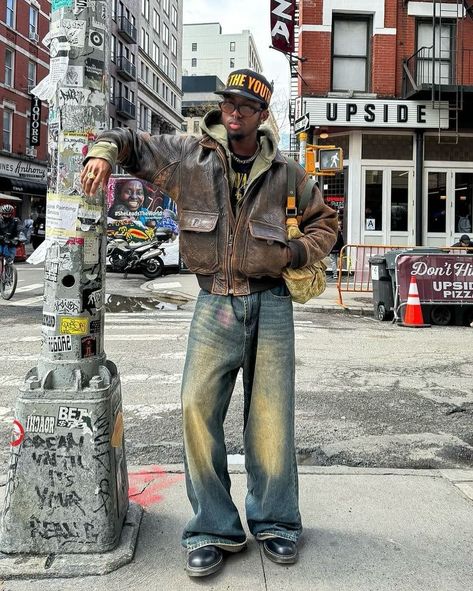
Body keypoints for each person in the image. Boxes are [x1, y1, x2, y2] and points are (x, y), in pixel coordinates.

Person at [81, 68, 337, 577]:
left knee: (270, 422)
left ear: (262, 114)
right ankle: (212, 528)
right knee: (196, 409)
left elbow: (325, 222)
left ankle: (276, 523)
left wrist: (294, 251)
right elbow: (129, 138)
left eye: (245, 104)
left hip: (272, 305)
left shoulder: (287, 173)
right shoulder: (188, 156)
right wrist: (103, 153)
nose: (233, 109)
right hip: (213, 302)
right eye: (228, 101)